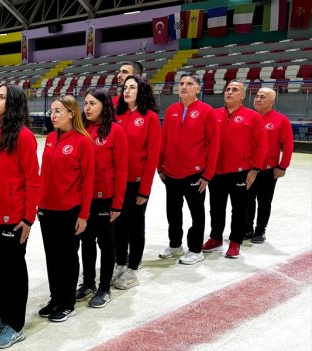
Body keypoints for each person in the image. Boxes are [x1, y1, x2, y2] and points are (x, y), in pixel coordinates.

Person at [0, 84, 40, 349]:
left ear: (13, 104)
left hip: (12, 219)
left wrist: (28, 219)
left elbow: (33, 181)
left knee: (13, 274)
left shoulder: (24, 136)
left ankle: (15, 325)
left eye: (2, 97)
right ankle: (3, 317)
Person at [37, 95, 94, 322]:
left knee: (67, 257)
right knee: (52, 257)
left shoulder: (83, 141)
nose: (53, 115)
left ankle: (67, 302)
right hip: (46, 209)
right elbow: (44, 174)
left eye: (58, 111)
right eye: (52, 111)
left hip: (69, 210)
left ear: (72, 113)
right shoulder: (50, 138)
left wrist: (84, 215)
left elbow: (88, 181)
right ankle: (55, 298)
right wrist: (38, 201)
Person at [157, 72, 219, 264]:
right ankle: (175, 245)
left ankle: (195, 249)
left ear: (198, 88)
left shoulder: (207, 111)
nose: (184, 86)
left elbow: (214, 144)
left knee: (196, 212)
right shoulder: (171, 110)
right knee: (173, 211)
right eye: (181, 83)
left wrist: (208, 175)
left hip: (195, 173)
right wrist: (160, 166)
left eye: (189, 83)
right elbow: (164, 140)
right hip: (171, 173)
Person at [74, 89, 127, 308]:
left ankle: (104, 288)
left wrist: (117, 203)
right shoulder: (81, 130)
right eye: (85, 103)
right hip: (84, 199)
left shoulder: (115, 131)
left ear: (104, 106)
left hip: (105, 198)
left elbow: (122, 170)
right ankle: (88, 283)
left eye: (92, 103)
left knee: (106, 243)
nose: (86, 107)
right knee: (86, 242)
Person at [202, 80, 266, 258]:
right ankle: (215, 238)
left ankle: (235, 241)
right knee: (216, 207)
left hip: (240, 171)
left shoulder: (252, 117)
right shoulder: (213, 114)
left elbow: (262, 145)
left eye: (235, 90)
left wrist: (255, 169)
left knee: (239, 209)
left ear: (243, 95)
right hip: (215, 171)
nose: (230, 92)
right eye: (228, 89)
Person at [111, 75, 161, 289]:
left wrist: (145, 189)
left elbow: (152, 156)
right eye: (125, 87)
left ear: (141, 91)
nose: (127, 91)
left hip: (137, 183)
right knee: (118, 226)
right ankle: (120, 263)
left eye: (132, 87)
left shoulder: (149, 118)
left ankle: (132, 269)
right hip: (117, 182)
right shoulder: (116, 115)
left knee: (135, 226)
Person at [246, 88, 294, 244]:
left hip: (268, 169)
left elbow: (288, 145)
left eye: (263, 97)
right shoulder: (247, 117)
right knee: (247, 200)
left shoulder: (281, 120)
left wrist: (282, 166)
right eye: (257, 96)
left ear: (272, 102)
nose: (258, 99)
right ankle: (247, 229)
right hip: (247, 168)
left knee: (264, 201)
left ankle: (260, 230)